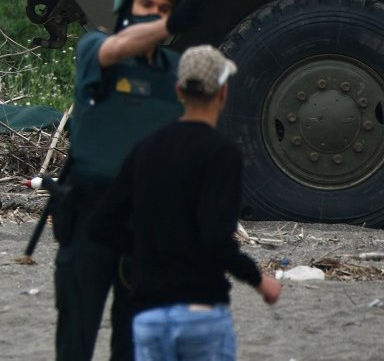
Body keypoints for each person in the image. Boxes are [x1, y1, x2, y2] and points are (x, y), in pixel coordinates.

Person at [89, 45, 284, 361]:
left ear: (180, 91)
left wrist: (144, 252)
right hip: (199, 308)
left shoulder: (147, 147)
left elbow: (102, 224)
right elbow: (215, 239)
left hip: (147, 312)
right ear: (222, 93)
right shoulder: (222, 154)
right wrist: (259, 280)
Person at [52, 0, 196, 361]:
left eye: (164, 8)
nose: (154, 13)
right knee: (75, 335)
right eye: (146, 3)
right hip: (90, 217)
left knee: (135, 343)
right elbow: (112, 51)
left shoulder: (175, 71)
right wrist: (170, 22)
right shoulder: (95, 47)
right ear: (126, 2)